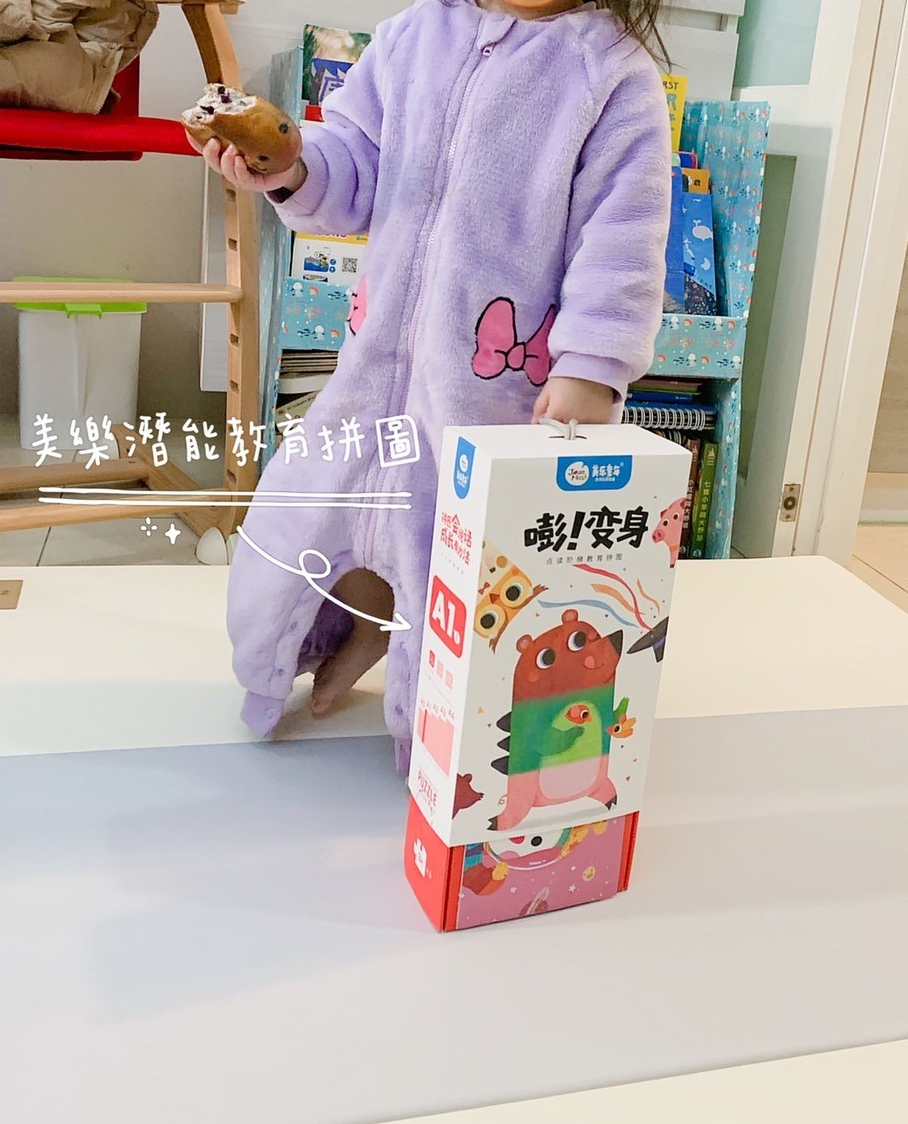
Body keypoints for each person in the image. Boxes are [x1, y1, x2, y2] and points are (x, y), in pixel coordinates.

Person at [192, 0, 673, 769]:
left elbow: (623, 237)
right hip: (370, 373)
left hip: (492, 405)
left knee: (454, 574)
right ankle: (355, 628)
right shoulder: (412, 37)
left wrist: (592, 367)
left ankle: (436, 740)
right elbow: (351, 165)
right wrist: (290, 167)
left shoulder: (611, 74)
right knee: (299, 524)